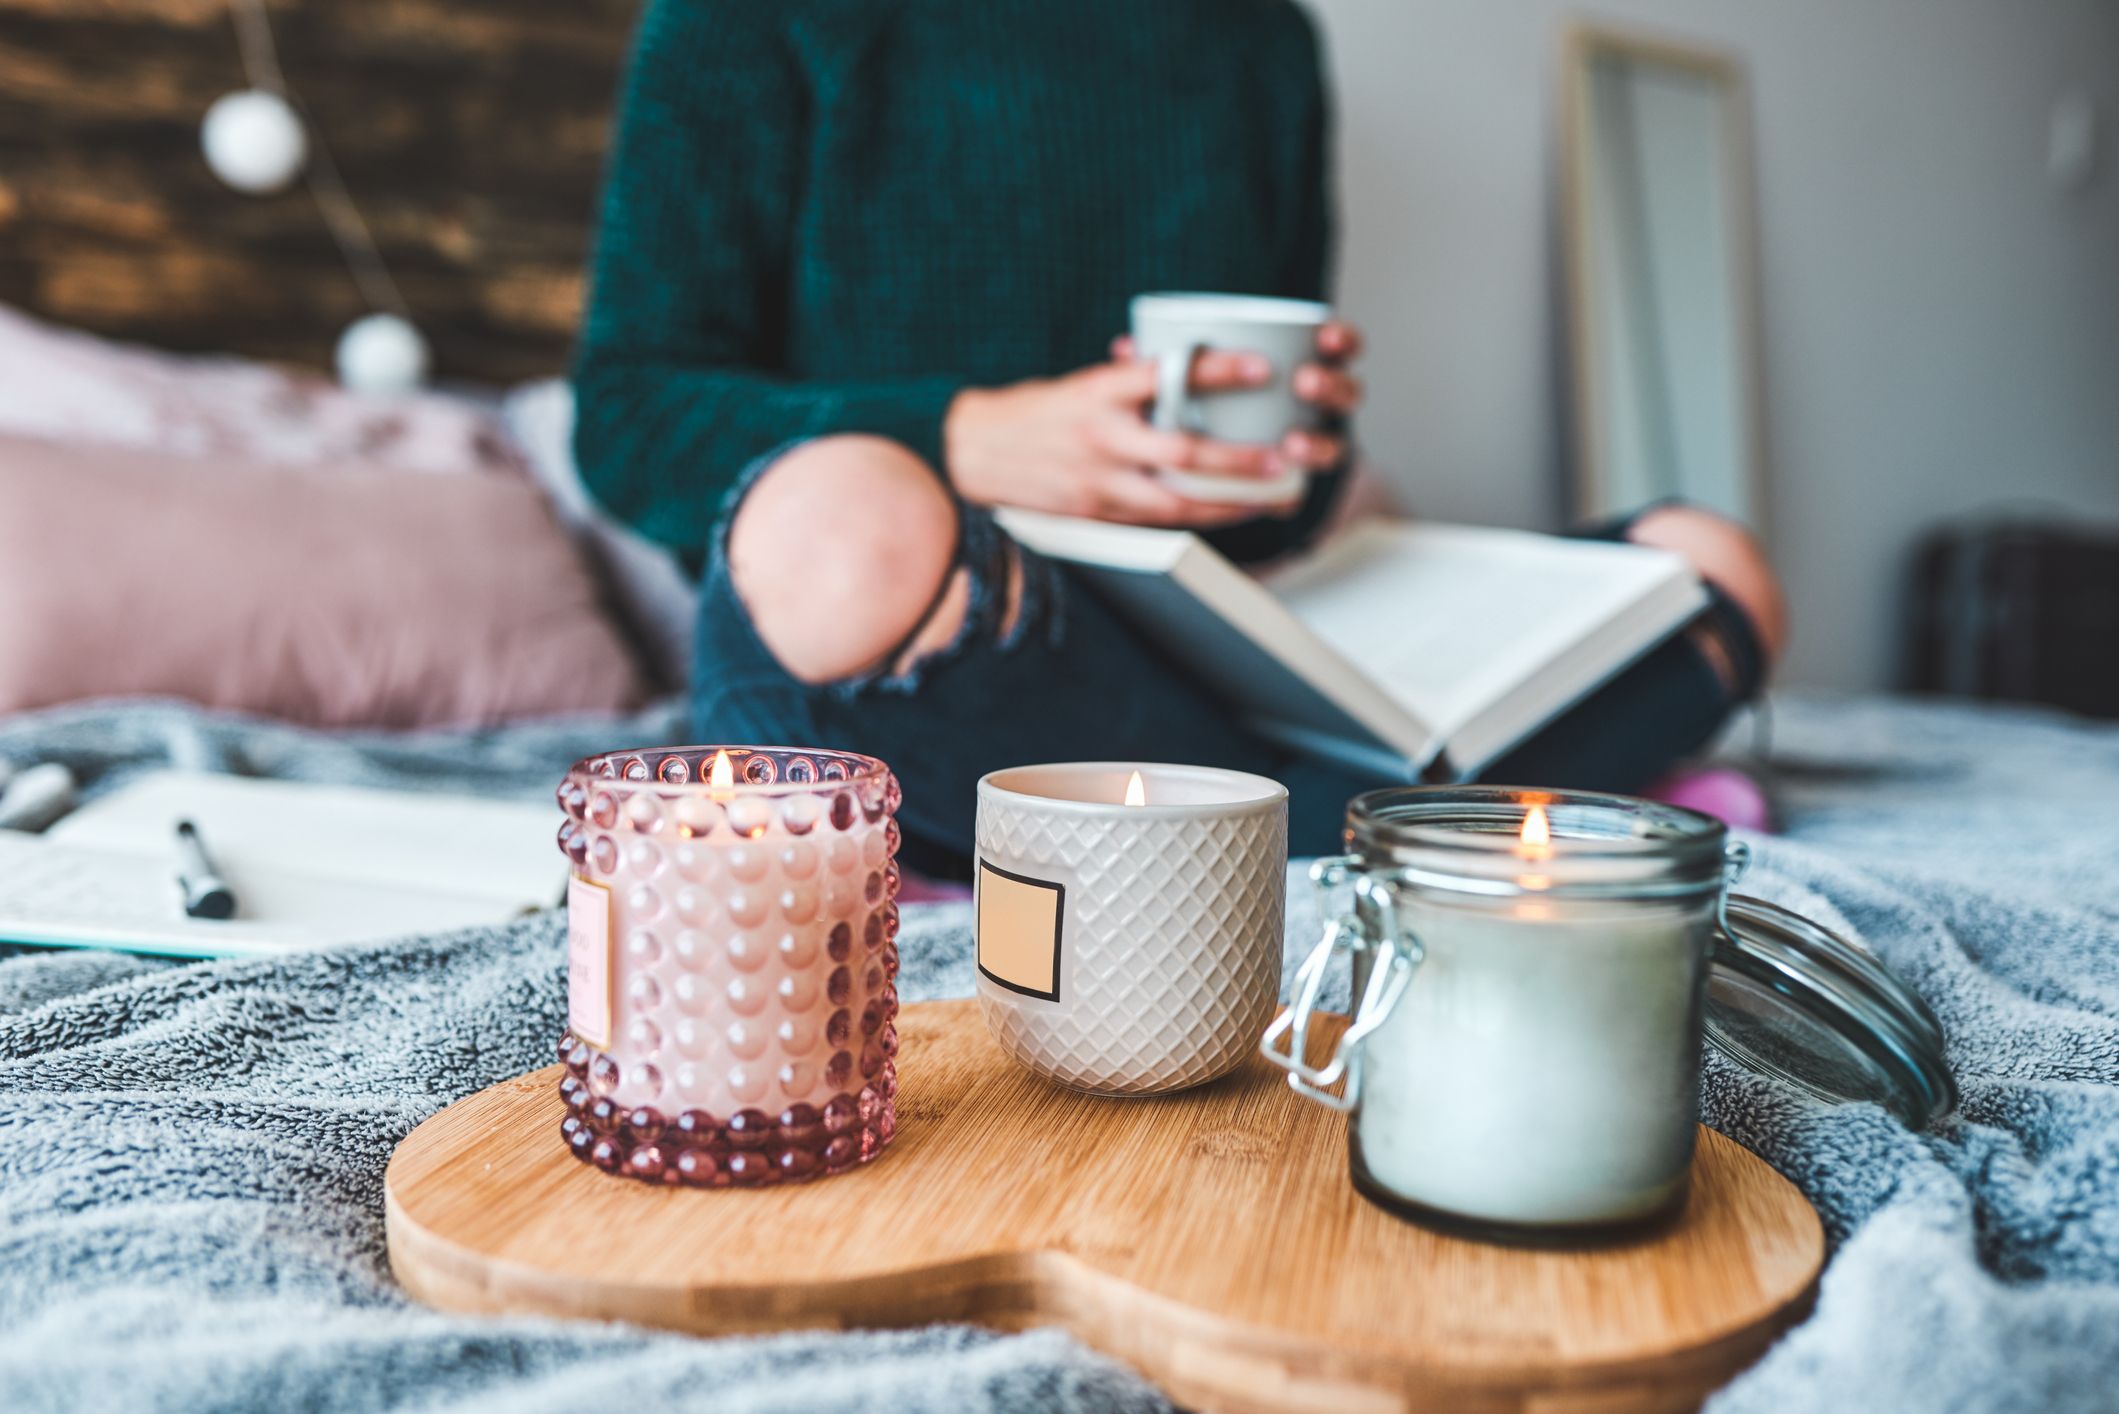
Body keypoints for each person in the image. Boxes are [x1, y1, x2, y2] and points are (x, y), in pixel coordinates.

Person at [573, 0, 1786, 870]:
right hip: (935, 635)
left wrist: (1290, 465)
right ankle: (1419, 822)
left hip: (1183, 640)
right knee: (841, 518)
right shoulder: (740, 23)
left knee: (1709, 565)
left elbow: (1279, 506)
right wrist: (971, 439)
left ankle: (1260, 824)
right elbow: (627, 418)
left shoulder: (1258, 40)